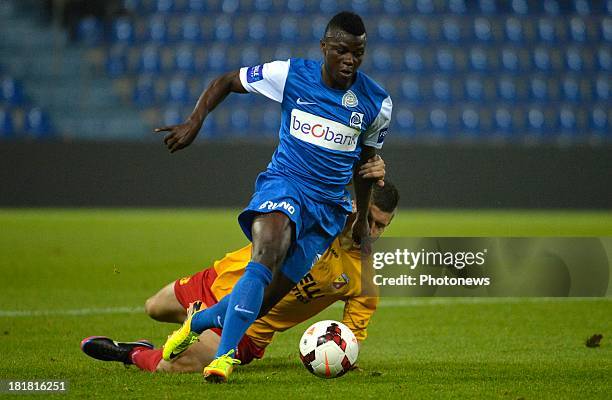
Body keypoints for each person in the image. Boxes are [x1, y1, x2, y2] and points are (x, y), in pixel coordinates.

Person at [154, 11, 392, 382]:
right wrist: (194, 121)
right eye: (342, 51)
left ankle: (197, 322)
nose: (350, 61)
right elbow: (227, 80)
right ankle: (223, 357)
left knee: (262, 301)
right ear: (324, 48)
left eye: (358, 53)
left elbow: (365, 164)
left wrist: (360, 220)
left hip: (328, 209)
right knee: (267, 254)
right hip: (285, 185)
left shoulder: (376, 103)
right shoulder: (290, 74)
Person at [81, 181, 399, 373]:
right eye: (369, 219)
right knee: (153, 307)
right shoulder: (318, 213)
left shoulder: (365, 278)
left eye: (381, 225)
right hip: (218, 280)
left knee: (170, 366)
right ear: (356, 204)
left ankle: (131, 353)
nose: (372, 231)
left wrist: (344, 356)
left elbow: (352, 333)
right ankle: (180, 331)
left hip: (248, 331)